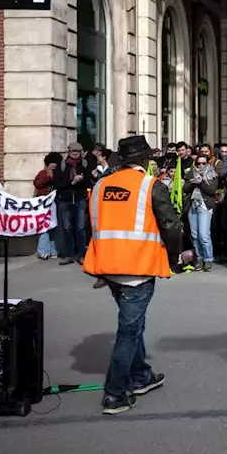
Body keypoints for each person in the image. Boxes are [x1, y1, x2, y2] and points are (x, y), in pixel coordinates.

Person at [82, 135, 184, 415]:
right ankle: (114, 394)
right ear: (142, 160)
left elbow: (90, 225)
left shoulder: (101, 184)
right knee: (128, 331)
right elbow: (171, 227)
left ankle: (140, 377)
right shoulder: (151, 186)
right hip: (137, 270)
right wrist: (175, 259)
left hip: (109, 269)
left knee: (133, 325)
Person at [54, 142, 91, 265]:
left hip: (80, 199)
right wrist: (72, 182)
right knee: (67, 228)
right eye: (73, 151)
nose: (75, 153)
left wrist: (83, 180)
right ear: (68, 152)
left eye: (77, 151)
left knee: (80, 228)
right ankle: (68, 254)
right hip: (65, 200)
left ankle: (81, 255)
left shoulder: (85, 165)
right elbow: (57, 184)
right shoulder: (62, 165)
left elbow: (89, 182)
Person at [187, 153, 219, 271]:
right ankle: (199, 258)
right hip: (193, 205)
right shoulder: (191, 173)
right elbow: (185, 188)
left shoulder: (212, 174)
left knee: (204, 235)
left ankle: (208, 259)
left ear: (207, 163)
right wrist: (192, 183)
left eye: (203, 163)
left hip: (205, 206)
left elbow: (212, 190)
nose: (200, 165)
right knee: (195, 235)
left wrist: (201, 182)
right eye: (198, 163)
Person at [33, 153, 62, 260]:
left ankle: (53, 250)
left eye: (55, 163)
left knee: (54, 227)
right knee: (44, 227)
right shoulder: (42, 173)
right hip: (43, 204)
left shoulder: (59, 174)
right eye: (52, 163)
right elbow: (37, 184)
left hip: (55, 203)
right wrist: (47, 177)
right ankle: (43, 251)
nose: (54, 165)